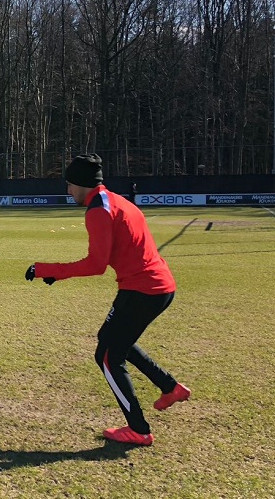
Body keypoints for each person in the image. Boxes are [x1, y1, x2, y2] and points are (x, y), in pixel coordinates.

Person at [25, 153, 190, 446]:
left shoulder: (98, 211)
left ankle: (138, 429)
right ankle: (169, 387)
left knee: (107, 357)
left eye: (69, 185)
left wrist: (48, 270)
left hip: (143, 290)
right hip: (158, 286)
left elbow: (96, 265)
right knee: (113, 340)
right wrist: (57, 274)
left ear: (80, 184)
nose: (68, 192)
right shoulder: (117, 200)